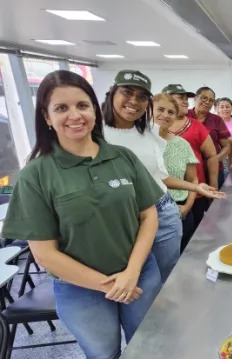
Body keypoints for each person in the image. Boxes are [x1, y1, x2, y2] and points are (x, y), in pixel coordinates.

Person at [1, 70, 163, 358]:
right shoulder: (36, 175)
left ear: (94, 110)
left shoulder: (122, 157)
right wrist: (111, 285)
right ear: (47, 117)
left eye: (82, 105)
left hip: (139, 274)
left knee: (150, 348)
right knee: (104, 354)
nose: (74, 115)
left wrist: (132, 273)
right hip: (80, 290)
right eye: (61, 108)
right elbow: (45, 255)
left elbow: (148, 216)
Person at [103, 70, 221, 281]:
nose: (133, 101)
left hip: (162, 208)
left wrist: (196, 187)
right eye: (126, 93)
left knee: (167, 276)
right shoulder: (96, 134)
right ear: (112, 93)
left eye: (141, 97)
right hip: (125, 216)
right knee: (137, 278)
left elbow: (159, 178)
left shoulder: (149, 134)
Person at [154, 93, 224, 253]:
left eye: (171, 112)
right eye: (160, 109)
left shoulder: (181, 143)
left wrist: (187, 205)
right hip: (146, 212)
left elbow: (193, 179)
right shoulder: (139, 141)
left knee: (185, 253)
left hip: (180, 207)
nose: (165, 115)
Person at [162, 84, 219, 237]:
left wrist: (213, 187)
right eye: (180, 98)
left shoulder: (195, 126)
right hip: (162, 194)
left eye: (186, 98)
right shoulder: (153, 129)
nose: (186, 102)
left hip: (194, 190)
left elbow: (211, 156)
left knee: (195, 235)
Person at [188, 87, 232, 189]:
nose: (207, 102)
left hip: (215, 169)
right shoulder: (185, 116)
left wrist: (215, 160)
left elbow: (226, 146)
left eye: (211, 100)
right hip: (190, 170)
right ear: (195, 98)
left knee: (216, 200)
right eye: (204, 98)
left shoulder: (217, 120)